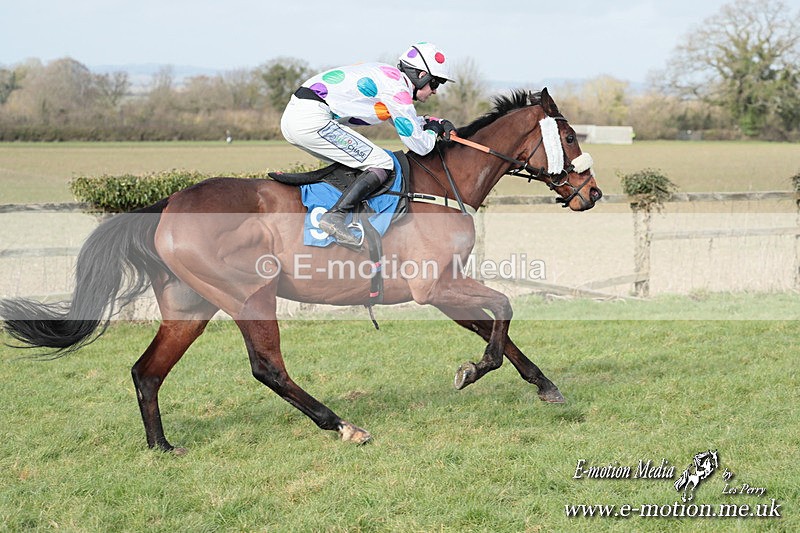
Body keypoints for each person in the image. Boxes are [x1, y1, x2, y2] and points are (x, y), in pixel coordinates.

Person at [280, 42, 457, 246]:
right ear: (421, 75)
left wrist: (431, 122)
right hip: (311, 119)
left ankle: (349, 214)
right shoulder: (397, 89)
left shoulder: (390, 79)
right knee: (382, 162)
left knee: (361, 162)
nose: (435, 91)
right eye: (435, 83)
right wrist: (434, 131)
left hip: (299, 117)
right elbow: (421, 146)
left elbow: (405, 120)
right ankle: (335, 217)